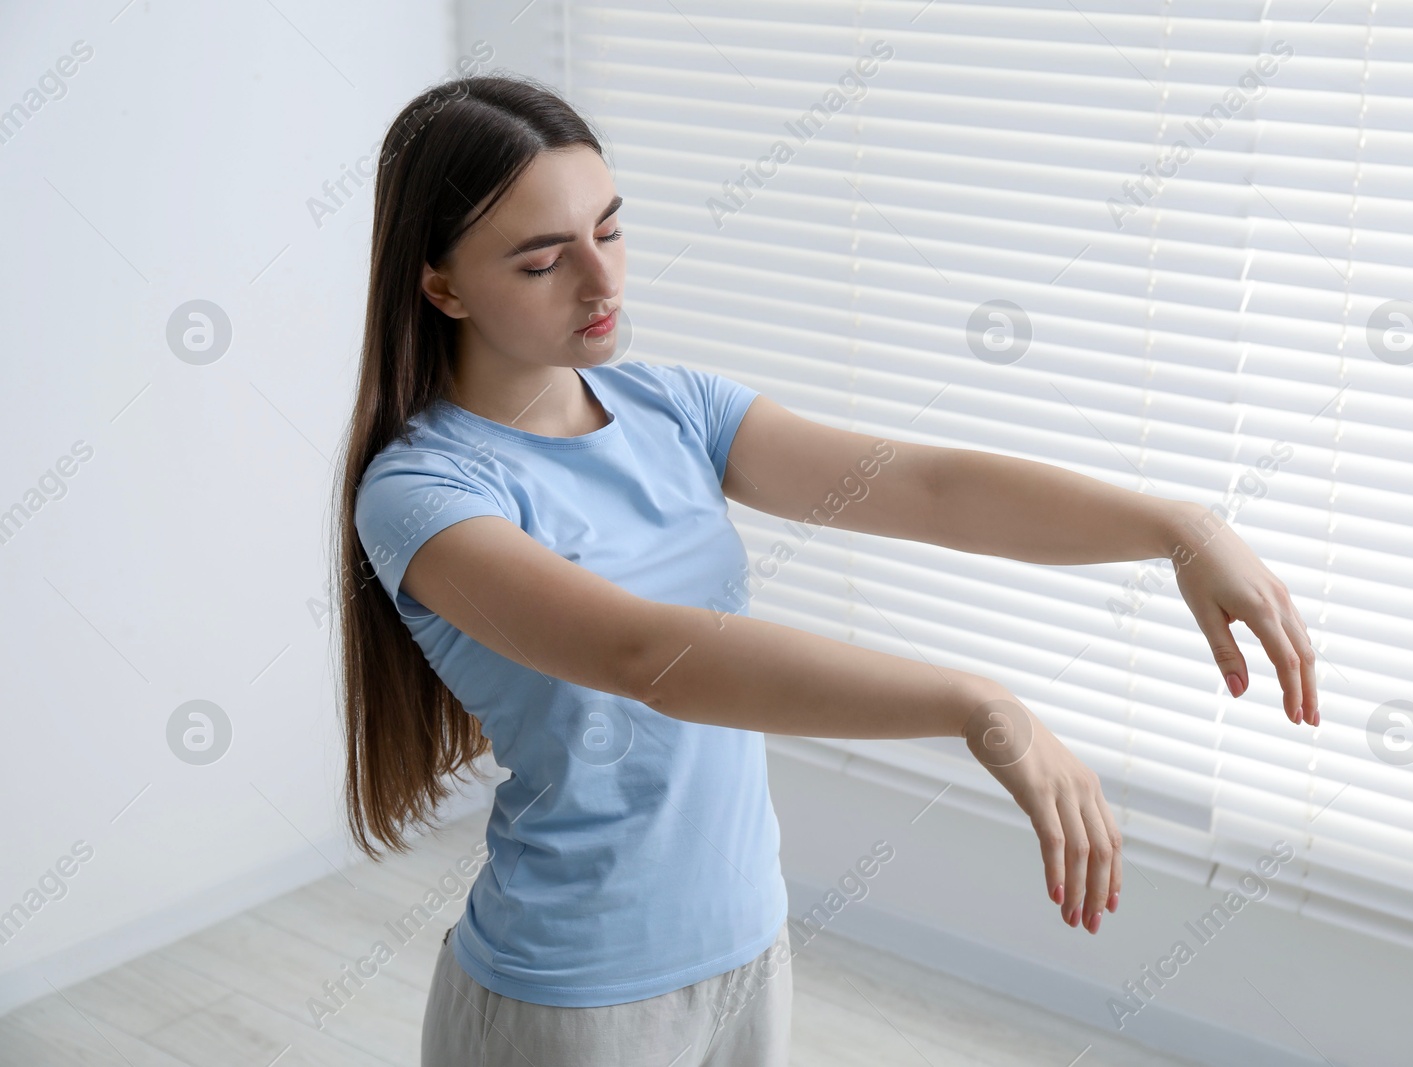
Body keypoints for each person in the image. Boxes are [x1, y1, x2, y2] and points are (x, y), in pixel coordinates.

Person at [329, 73, 1319, 1067]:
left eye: (611, 228)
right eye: (544, 260)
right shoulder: (424, 492)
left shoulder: (674, 408)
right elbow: (645, 653)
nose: (602, 280)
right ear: (442, 284)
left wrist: (1177, 525)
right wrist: (976, 702)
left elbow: (928, 487)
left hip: (748, 945)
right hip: (570, 996)